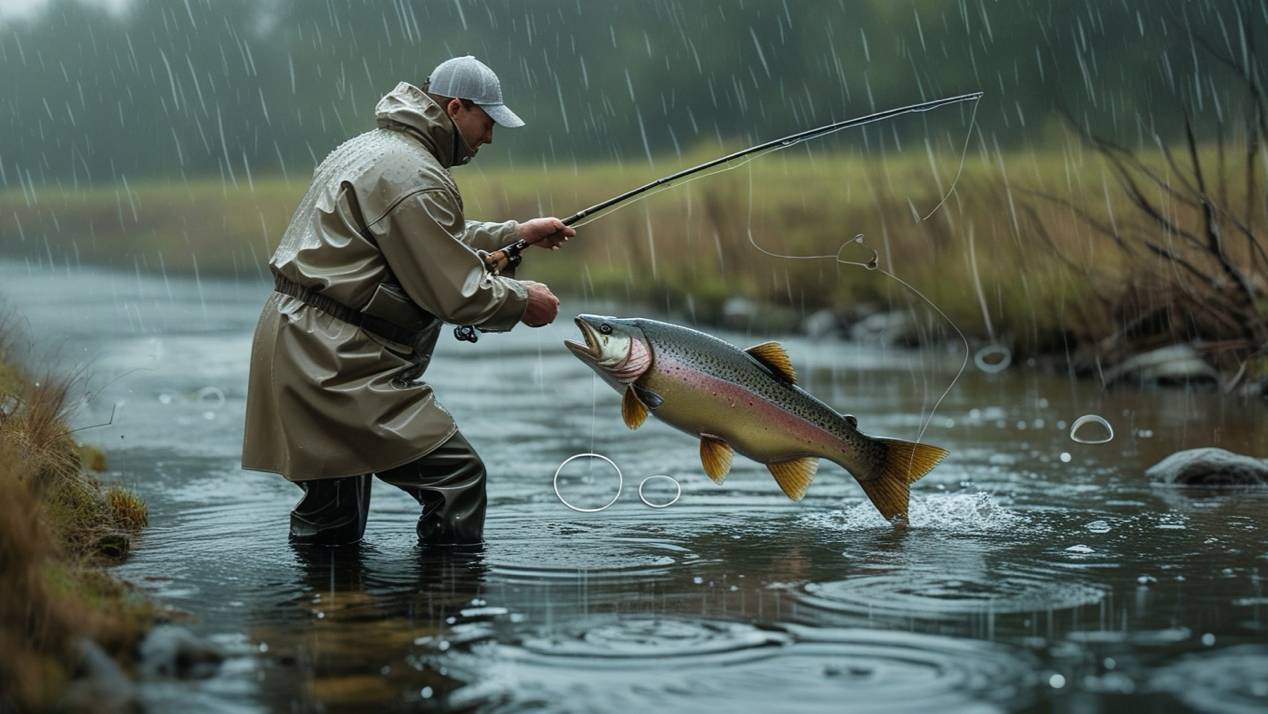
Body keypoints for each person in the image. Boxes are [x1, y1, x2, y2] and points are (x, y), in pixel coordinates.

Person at [242, 56, 575, 547]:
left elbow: (431, 237)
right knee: (456, 477)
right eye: (487, 124)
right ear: (456, 108)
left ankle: (322, 612)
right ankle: (447, 603)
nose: (489, 138)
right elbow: (456, 293)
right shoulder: (415, 173)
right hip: (334, 357)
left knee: (333, 507)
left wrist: (515, 233)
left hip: (299, 339)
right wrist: (524, 302)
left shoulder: (374, 150)